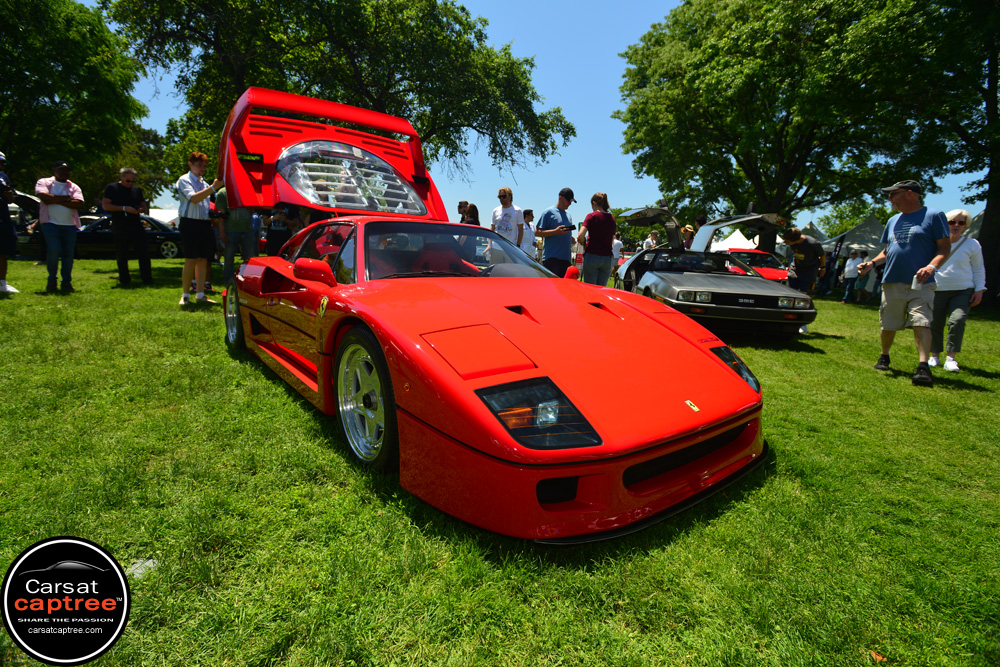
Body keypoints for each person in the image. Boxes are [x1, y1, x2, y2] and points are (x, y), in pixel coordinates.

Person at [858, 179, 950, 387]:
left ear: (910, 193)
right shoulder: (892, 221)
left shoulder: (934, 216)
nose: (889, 198)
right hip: (892, 279)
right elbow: (887, 250)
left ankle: (923, 367)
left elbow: (944, 247)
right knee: (888, 324)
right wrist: (872, 263)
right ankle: (885, 356)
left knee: (921, 321)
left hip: (921, 281)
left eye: (893, 193)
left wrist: (931, 267)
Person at [928, 209, 985, 373]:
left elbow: (978, 269)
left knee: (957, 321)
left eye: (961, 222)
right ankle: (934, 356)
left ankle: (950, 359)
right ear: (945, 224)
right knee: (935, 323)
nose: (956, 225)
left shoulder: (973, 244)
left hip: (963, 290)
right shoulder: (935, 243)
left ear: (966, 226)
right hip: (937, 288)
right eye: (952, 222)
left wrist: (980, 289)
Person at [176, 151, 223, 305]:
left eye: (204, 166)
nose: (202, 168)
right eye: (199, 165)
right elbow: (194, 198)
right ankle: (185, 295)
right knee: (190, 259)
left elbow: (203, 203)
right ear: (190, 164)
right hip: (189, 224)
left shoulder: (203, 183)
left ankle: (200, 294)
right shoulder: (184, 180)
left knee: (203, 259)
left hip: (204, 224)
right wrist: (214, 188)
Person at [35, 161, 85, 293]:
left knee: (68, 255)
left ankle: (66, 282)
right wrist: (66, 199)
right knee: (54, 250)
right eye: (61, 170)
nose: (65, 172)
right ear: (54, 170)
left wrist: (55, 199)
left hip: (69, 225)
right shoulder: (44, 182)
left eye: (67, 170)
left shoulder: (73, 186)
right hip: (50, 223)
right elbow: (44, 197)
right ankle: (52, 280)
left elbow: (79, 203)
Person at [102, 167, 152, 287]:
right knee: (122, 252)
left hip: (136, 223)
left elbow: (143, 205)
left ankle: (147, 279)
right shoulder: (112, 188)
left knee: (144, 252)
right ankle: (124, 279)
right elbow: (105, 205)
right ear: (122, 177)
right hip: (120, 224)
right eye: (128, 181)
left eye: (133, 181)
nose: (130, 184)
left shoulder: (136, 190)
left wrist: (140, 209)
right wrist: (124, 208)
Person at [215, 185, 257, 285]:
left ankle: (247, 283)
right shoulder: (223, 192)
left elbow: (252, 210)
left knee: (249, 260)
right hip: (230, 231)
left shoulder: (248, 190)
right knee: (229, 259)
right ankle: (229, 283)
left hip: (248, 231)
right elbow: (220, 214)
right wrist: (221, 232)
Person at [577, 192, 617, 286]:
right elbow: (612, 240)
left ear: (594, 203)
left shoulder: (591, 216)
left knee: (590, 289)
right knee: (601, 290)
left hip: (592, 256)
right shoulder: (612, 219)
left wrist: (583, 243)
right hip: (607, 258)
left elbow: (581, 235)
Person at [535, 188, 576, 277]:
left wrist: (574, 240)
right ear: (560, 198)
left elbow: (565, 234)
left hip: (566, 259)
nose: (570, 203)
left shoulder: (568, 214)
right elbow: (537, 232)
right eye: (568, 201)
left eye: (571, 201)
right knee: (552, 288)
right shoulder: (548, 212)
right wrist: (555, 232)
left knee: (564, 289)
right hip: (552, 259)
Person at [781, 227, 826, 294]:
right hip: (795, 269)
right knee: (790, 292)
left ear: (795, 240)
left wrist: (823, 268)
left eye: (787, 241)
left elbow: (822, 255)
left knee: (802, 294)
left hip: (808, 271)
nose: (785, 242)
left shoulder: (813, 243)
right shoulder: (793, 242)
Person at [0, 151, 18, 294]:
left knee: (3, 251)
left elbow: (11, 200)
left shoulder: (4, 177)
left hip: (3, 217)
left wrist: (8, 196)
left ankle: (2, 283)